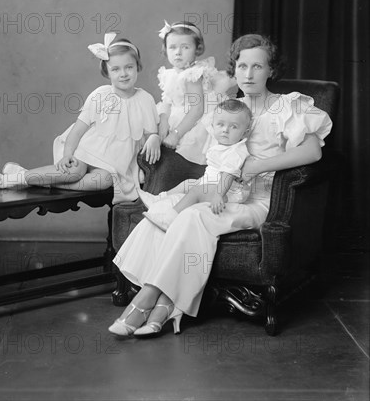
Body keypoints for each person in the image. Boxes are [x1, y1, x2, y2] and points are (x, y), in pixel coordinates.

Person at [108, 33, 333, 338]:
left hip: (259, 199)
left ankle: (145, 298)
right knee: (164, 213)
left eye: (258, 66)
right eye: (242, 67)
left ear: (271, 70)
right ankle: (166, 306)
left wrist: (255, 166)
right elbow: (214, 159)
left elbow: (313, 152)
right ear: (235, 70)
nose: (249, 74)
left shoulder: (286, 105)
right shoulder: (229, 109)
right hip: (220, 192)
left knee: (191, 216)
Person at [0, 33, 161, 202]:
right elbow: (77, 130)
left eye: (129, 67)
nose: (123, 74)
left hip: (114, 164)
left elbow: (151, 132)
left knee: (103, 181)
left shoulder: (145, 99)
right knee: (73, 171)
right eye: (116, 69)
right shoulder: (100, 95)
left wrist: (153, 137)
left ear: (138, 67)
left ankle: (34, 178)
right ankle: (6, 180)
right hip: (87, 151)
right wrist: (67, 154)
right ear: (107, 72)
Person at [139, 99, 253, 231]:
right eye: (220, 124)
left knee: (196, 191)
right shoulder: (221, 146)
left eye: (234, 126)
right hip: (213, 183)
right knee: (188, 183)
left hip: (230, 191)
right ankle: (158, 199)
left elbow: (227, 176)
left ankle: (169, 219)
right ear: (213, 126)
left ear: (245, 132)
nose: (225, 130)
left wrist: (218, 195)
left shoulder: (236, 151)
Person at [156, 20, 236, 165]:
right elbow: (167, 101)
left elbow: (197, 109)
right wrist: (163, 122)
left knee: (180, 157)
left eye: (185, 47)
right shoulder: (168, 74)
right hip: (175, 115)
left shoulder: (193, 74)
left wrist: (176, 134)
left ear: (197, 49)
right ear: (165, 49)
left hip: (192, 122)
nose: (178, 52)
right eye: (172, 47)